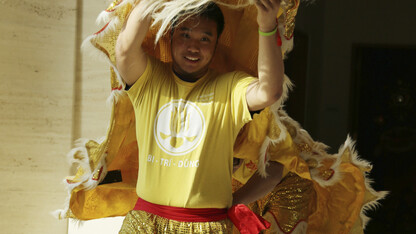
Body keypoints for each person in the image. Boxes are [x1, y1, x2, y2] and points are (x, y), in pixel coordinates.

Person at [115, 0, 286, 232]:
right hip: (145, 222)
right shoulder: (148, 78)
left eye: (205, 39)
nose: (193, 47)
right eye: (185, 35)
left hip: (208, 226)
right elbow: (125, 49)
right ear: (171, 36)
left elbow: (270, 91)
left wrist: (267, 24)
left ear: (216, 44)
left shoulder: (230, 87)